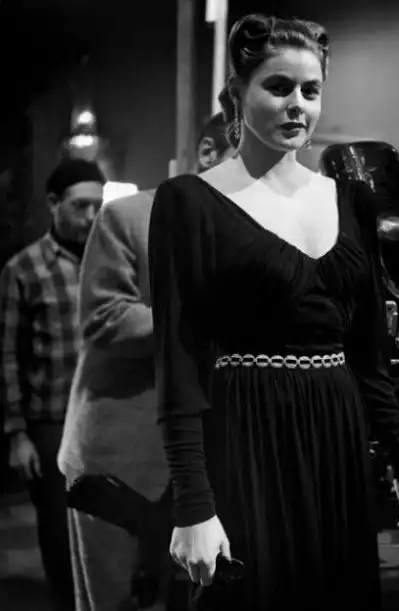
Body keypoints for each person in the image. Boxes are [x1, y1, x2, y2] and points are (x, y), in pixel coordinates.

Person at [148, 14, 399, 611]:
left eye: (311, 91)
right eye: (278, 87)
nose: (297, 105)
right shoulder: (190, 201)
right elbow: (178, 365)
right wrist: (193, 504)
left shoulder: (349, 199)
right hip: (246, 434)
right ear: (238, 94)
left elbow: (368, 357)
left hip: (336, 434)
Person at [57, 113, 232, 611]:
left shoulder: (252, 229)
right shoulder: (129, 215)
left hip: (204, 464)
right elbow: (104, 320)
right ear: (208, 153)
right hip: (119, 465)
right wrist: (211, 322)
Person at [0, 158, 105, 611]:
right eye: (80, 206)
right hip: (50, 421)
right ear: (53, 204)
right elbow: (7, 355)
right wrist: (17, 434)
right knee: (59, 535)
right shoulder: (23, 269)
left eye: (98, 206)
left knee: (106, 528)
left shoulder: (112, 260)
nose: (90, 217)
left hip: (104, 415)